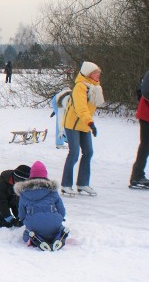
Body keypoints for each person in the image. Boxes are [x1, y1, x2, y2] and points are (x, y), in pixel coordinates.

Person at [61, 61, 103, 196]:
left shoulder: (95, 87)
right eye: (95, 73)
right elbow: (81, 108)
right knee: (74, 153)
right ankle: (66, 185)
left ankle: (83, 183)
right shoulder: (80, 87)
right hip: (73, 124)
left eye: (98, 73)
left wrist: (88, 123)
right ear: (88, 74)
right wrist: (91, 123)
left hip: (84, 124)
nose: (98, 76)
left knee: (89, 152)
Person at [15, 161, 69, 251]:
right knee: (59, 229)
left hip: (34, 224)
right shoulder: (52, 191)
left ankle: (35, 239)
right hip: (53, 223)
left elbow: (21, 212)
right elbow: (61, 209)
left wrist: (23, 219)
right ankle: (59, 237)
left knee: (27, 234)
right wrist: (61, 217)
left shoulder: (24, 192)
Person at [130, 68, 149, 188]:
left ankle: (137, 175)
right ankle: (136, 176)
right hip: (147, 116)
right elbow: (147, 92)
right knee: (146, 145)